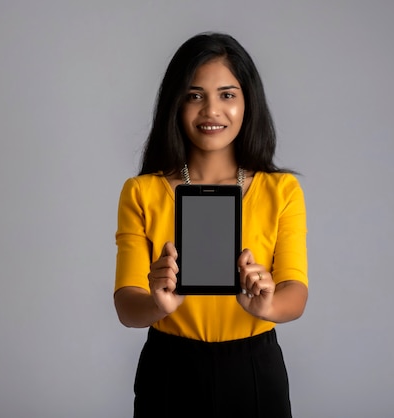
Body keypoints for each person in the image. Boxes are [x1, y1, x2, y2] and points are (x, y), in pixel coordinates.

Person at [113, 32, 308, 418]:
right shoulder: (141, 192)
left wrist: (268, 304)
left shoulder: (281, 190)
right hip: (170, 367)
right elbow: (125, 304)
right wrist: (157, 303)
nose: (211, 110)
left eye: (227, 94)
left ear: (248, 102)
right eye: (195, 94)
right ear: (176, 102)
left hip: (254, 366)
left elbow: (296, 293)